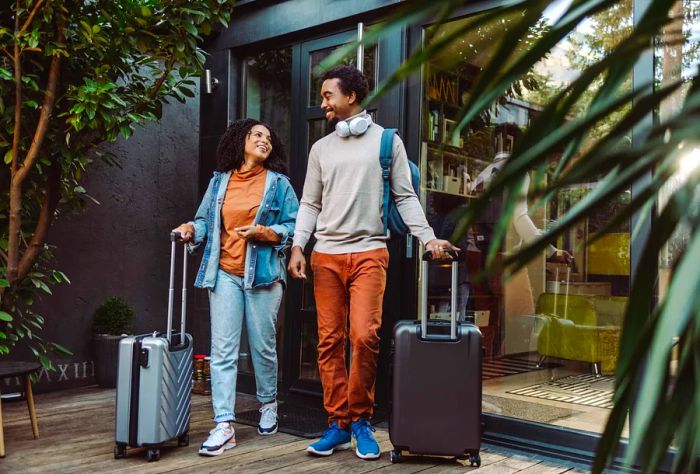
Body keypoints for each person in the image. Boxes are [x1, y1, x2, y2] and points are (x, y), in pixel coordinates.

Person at [288, 65, 458, 461]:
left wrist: (428, 237)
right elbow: (310, 202)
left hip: (369, 253)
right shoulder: (321, 149)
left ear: (351, 96)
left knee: (364, 336)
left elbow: (405, 197)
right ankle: (338, 424)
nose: (323, 102)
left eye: (329, 94)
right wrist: (298, 246)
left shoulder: (386, 142)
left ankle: (361, 419)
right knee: (329, 341)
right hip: (326, 254)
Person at [172, 119, 299, 456]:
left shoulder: (279, 184)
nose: (264, 140)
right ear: (239, 141)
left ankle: (268, 403)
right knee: (223, 350)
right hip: (224, 273)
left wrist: (268, 233)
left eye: (269, 138)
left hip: (263, 274)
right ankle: (224, 424)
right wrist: (190, 228)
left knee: (262, 345)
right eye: (257, 135)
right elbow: (204, 222)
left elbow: (294, 224)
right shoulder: (219, 182)